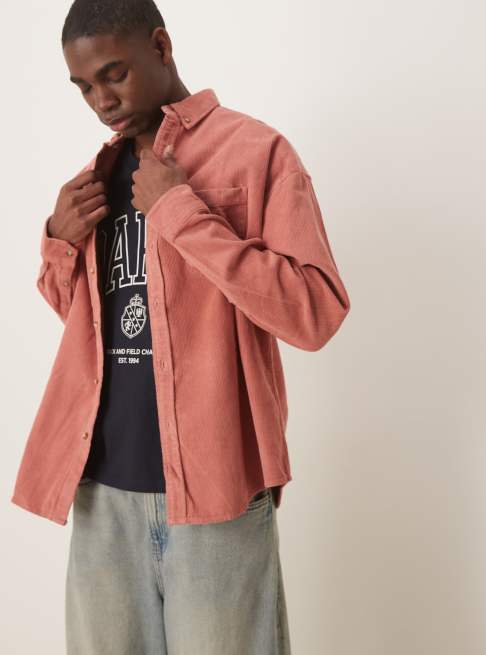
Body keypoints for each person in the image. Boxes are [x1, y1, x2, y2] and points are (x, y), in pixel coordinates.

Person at [11, 0, 351, 653]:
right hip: (101, 495)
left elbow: (314, 312)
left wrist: (181, 214)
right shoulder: (95, 179)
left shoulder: (255, 153)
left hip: (218, 495)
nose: (101, 102)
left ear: (161, 47)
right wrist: (58, 240)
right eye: (83, 88)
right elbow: (86, 329)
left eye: (114, 74)